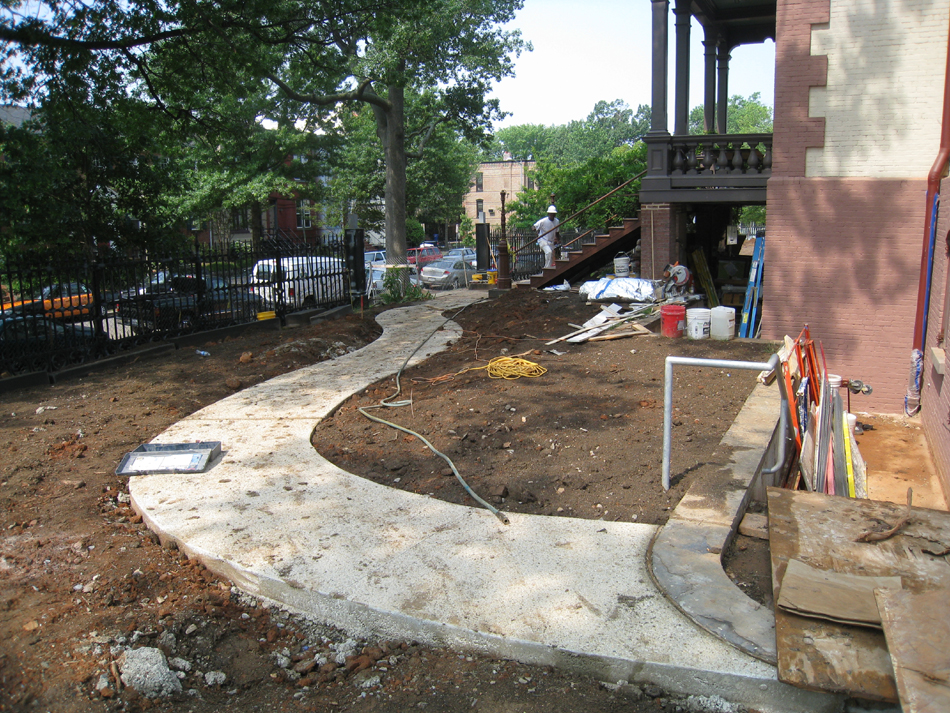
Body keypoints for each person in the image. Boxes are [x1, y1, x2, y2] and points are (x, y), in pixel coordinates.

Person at [533, 205, 560, 269]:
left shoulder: (557, 221)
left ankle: (549, 267)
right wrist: (535, 230)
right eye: (551, 214)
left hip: (550, 241)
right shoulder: (543, 221)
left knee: (551, 256)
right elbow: (534, 226)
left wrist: (558, 239)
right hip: (543, 240)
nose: (552, 215)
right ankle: (546, 268)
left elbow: (557, 232)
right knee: (548, 252)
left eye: (553, 214)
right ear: (548, 214)